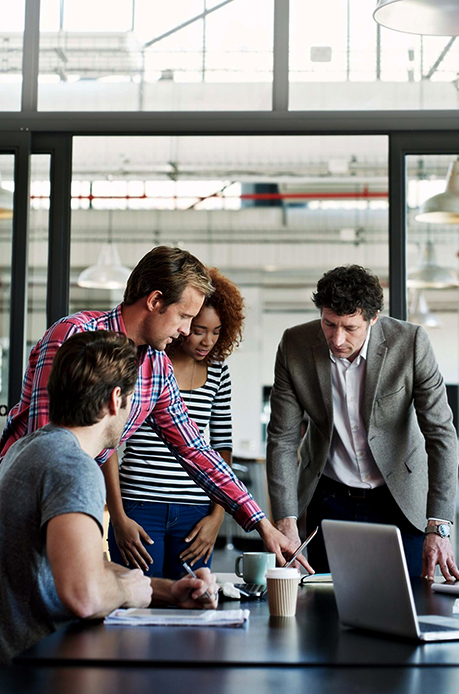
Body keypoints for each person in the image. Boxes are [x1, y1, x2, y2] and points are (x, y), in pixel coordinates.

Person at [0, 245, 308, 570]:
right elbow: (48, 443)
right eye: (185, 316)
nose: (187, 331)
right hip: (26, 505)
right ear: (155, 301)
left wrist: (262, 524)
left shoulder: (157, 366)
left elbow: (194, 449)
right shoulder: (75, 335)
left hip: (74, 501)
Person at [0, 332, 220, 662]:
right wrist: (129, 591)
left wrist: (164, 591)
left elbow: (80, 566)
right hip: (35, 673)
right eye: (132, 401)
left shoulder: (29, 448)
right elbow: (83, 596)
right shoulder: (74, 467)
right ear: (115, 399)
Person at [266, 264, 459, 580]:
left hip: (400, 499)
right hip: (330, 500)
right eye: (329, 324)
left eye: (350, 327)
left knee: (406, 609)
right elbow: (282, 438)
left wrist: (438, 524)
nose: (338, 338)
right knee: (326, 609)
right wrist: (285, 519)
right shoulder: (295, 345)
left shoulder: (410, 343)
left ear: (372, 318)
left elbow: (441, 434)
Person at [105, 268, 243, 578]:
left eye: (217, 331)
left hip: (195, 514)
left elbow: (220, 447)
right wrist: (117, 515)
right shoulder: (146, 362)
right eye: (198, 329)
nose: (208, 340)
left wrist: (217, 517)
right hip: (139, 506)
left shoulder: (219, 373)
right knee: (137, 605)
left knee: (193, 605)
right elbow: (108, 441)